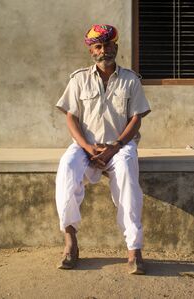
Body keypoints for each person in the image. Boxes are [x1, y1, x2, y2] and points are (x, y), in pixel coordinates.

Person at [54, 24, 151, 274]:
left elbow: (136, 118)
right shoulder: (79, 79)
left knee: (129, 176)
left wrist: (116, 145)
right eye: (98, 46)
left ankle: (134, 250)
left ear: (115, 47)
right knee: (66, 167)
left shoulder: (130, 79)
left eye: (108, 45)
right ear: (91, 51)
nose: (103, 50)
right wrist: (86, 146)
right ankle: (70, 242)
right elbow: (71, 117)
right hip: (85, 146)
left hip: (120, 147)